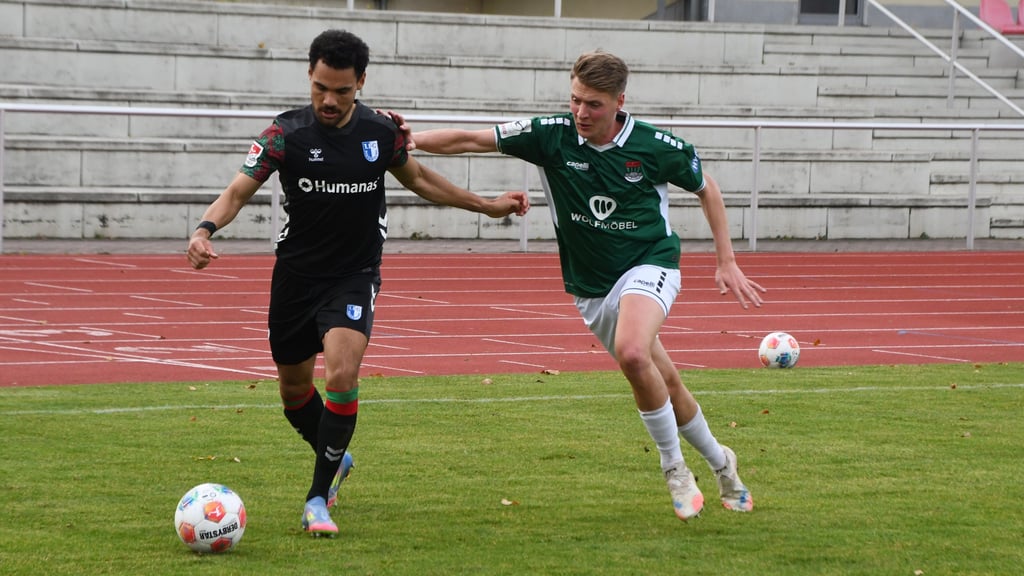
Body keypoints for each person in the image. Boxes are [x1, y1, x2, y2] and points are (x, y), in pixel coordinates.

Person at [185, 29, 529, 537]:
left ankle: (317, 498)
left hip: (354, 276)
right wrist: (203, 229)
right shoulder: (285, 134)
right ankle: (338, 457)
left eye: (342, 90)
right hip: (295, 278)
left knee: (342, 376)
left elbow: (422, 180)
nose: (329, 99)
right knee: (294, 392)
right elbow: (237, 191)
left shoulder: (381, 133)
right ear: (309, 75)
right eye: (321, 87)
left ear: (360, 82)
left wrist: (487, 205)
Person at [399, 50, 765, 521]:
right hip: (590, 288)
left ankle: (674, 468)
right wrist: (409, 142)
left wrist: (726, 260)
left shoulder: (656, 146)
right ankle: (722, 464)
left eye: (593, 104)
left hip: (650, 263)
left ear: (619, 102)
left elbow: (706, 187)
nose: (580, 113)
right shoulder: (551, 136)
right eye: (574, 100)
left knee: (633, 352)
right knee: (664, 380)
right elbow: (471, 138)